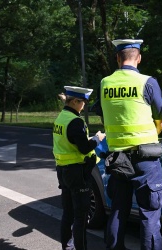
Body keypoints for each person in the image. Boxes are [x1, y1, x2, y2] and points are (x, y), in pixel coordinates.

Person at [98, 39, 162, 250]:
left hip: (118, 158)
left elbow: (106, 117)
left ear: (118, 58)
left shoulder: (105, 83)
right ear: (139, 58)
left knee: (119, 208)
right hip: (145, 158)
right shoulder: (147, 82)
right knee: (149, 214)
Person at [53, 86, 105, 250]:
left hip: (63, 171)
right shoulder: (75, 121)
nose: (84, 106)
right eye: (83, 102)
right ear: (75, 101)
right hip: (77, 173)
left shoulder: (61, 118)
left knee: (67, 214)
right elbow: (84, 148)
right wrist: (97, 139)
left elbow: (69, 142)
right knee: (81, 217)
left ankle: (67, 247)